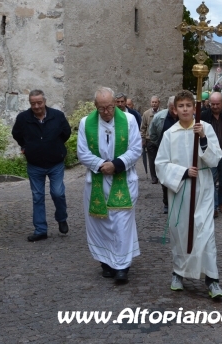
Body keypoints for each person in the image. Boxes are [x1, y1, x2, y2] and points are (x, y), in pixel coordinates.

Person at [155, 90, 222, 298]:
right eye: (181, 106)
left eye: (189, 105)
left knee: (206, 233)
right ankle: (179, 272)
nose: (185, 109)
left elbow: (216, 158)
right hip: (181, 191)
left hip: (203, 187)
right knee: (181, 232)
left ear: (194, 107)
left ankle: (212, 279)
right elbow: (161, 165)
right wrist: (183, 172)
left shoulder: (206, 128)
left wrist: (202, 139)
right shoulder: (170, 134)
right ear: (175, 110)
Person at [77, 87, 143, 280]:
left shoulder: (129, 121)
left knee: (121, 223)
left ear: (115, 104)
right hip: (97, 179)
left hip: (123, 177)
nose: (106, 112)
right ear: (95, 106)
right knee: (100, 222)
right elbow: (82, 152)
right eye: (102, 108)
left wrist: (116, 165)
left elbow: (136, 148)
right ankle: (105, 261)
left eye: (110, 107)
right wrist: (100, 165)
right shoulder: (85, 123)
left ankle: (122, 265)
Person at [11, 89, 71, 242]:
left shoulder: (57, 116)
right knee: (37, 196)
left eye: (39, 103)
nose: (36, 106)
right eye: (33, 103)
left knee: (58, 193)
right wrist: (26, 146)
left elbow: (66, 132)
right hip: (35, 163)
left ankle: (61, 218)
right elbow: (16, 134)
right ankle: (40, 229)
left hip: (55, 162)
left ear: (45, 101)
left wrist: (55, 145)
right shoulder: (23, 118)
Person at [148, 96, 178, 214]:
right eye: (172, 108)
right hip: (164, 152)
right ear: (168, 107)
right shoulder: (160, 117)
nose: (174, 110)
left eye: (176, 107)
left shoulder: (184, 117)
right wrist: (159, 145)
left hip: (178, 152)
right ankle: (166, 202)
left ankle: (177, 201)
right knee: (165, 178)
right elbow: (152, 133)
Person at [140, 95, 161, 184]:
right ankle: (154, 177)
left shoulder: (163, 113)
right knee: (152, 160)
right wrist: (143, 139)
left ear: (158, 103)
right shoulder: (146, 114)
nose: (154, 104)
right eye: (152, 102)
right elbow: (143, 127)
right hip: (150, 140)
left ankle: (161, 175)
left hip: (161, 140)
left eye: (155, 102)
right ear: (150, 103)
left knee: (161, 159)